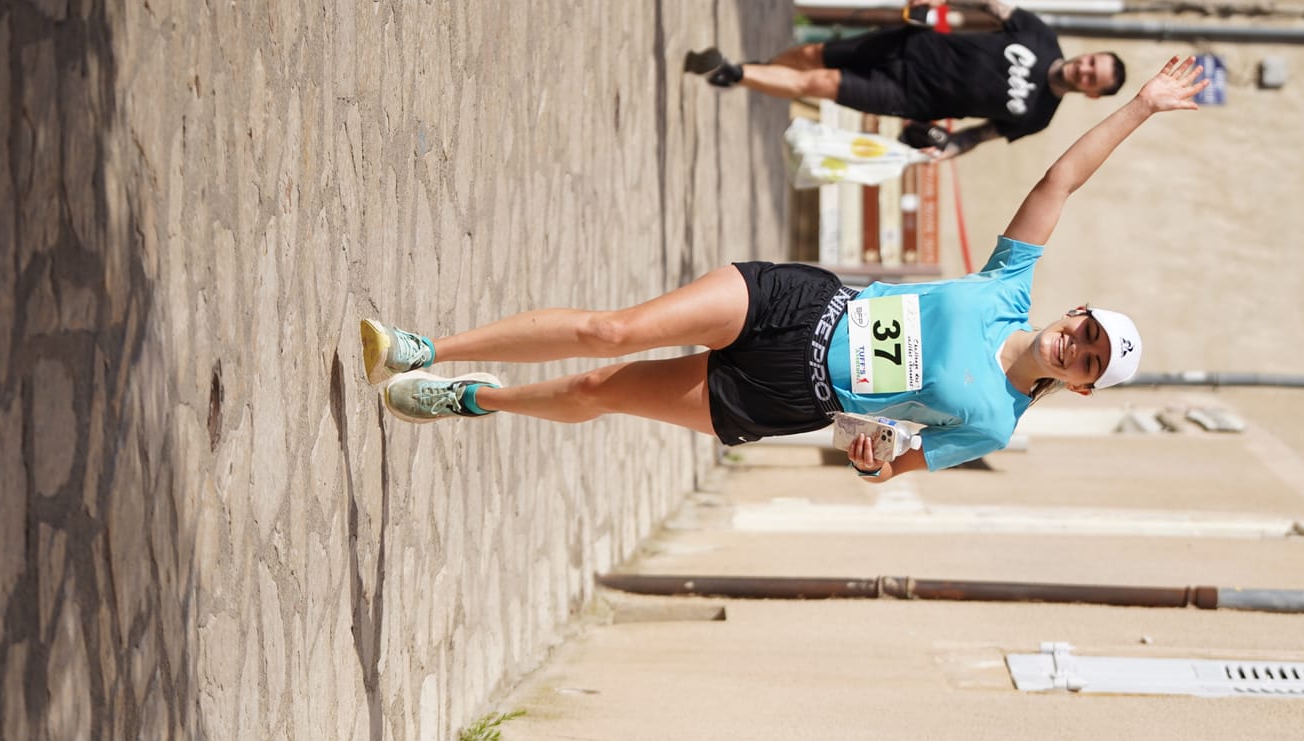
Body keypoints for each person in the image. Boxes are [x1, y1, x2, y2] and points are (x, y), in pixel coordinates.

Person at [358, 58, 1206, 478]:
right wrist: (1139, 107)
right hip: (801, 305)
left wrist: (873, 460)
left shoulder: (993, 423)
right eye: (1085, 331)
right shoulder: (1006, 289)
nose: (1075, 348)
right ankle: (423, 344)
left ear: (1085, 386)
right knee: (609, 329)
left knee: (600, 387)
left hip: (788, 396)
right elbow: (1059, 179)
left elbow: (889, 468)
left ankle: (473, 398)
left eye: (1089, 362)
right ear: (1074, 313)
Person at [682, 0, 1127, 160]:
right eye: (1092, 62)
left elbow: (976, 136)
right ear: (1089, 55)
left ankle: (734, 72)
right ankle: (756, 70)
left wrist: (945, 150)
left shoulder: (1038, 116)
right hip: (913, 44)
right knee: (813, 53)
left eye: (1093, 78)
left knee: (819, 84)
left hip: (908, 97)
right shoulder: (1040, 36)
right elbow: (991, 4)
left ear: (1092, 94)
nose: (1084, 70)